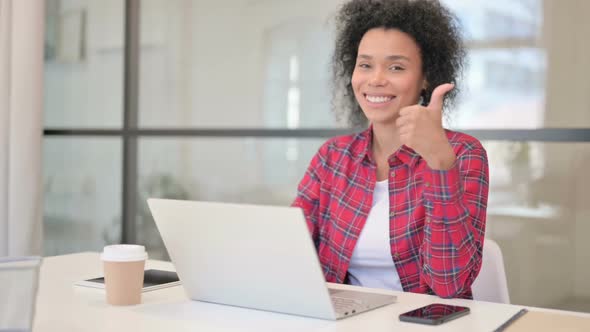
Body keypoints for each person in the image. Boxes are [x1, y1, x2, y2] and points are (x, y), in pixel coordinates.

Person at [292, 0, 489, 299]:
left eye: (396, 67)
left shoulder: (462, 153)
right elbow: (291, 250)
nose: (376, 79)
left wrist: (439, 162)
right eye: (365, 65)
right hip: (344, 319)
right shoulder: (332, 156)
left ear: (425, 78)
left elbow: (450, 284)